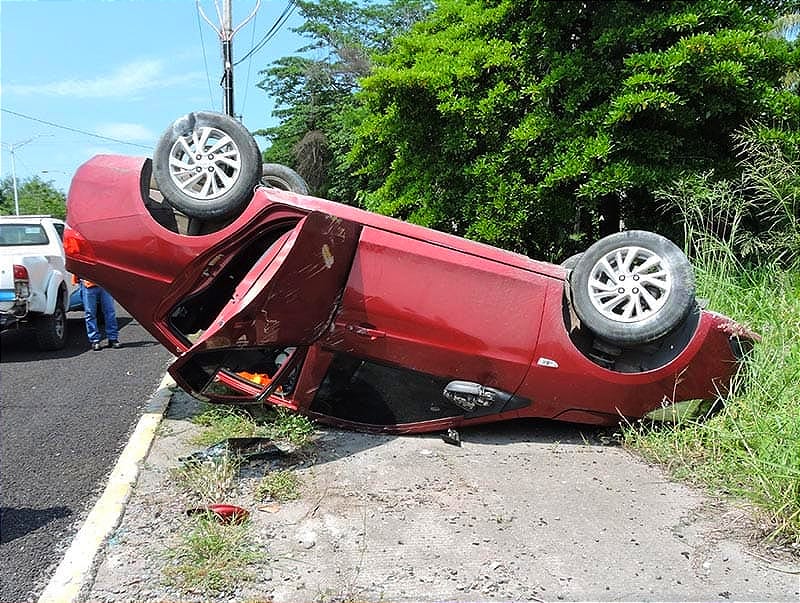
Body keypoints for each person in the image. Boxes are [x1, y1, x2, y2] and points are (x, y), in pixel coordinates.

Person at [74, 276, 121, 350]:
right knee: (90, 313)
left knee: (110, 312)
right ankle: (94, 340)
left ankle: (113, 338)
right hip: (88, 284)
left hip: (106, 283)